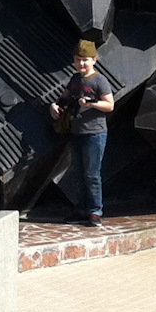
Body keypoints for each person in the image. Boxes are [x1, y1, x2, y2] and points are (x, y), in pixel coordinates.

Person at [50, 40, 115, 227]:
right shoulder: (75, 80)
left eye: (85, 60)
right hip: (76, 132)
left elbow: (109, 105)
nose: (81, 64)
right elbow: (63, 99)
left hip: (95, 133)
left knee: (92, 174)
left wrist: (91, 104)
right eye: (78, 60)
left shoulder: (99, 80)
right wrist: (54, 107)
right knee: (78, 173)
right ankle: (81, 209)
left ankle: (95, 211)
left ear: (94, 59)